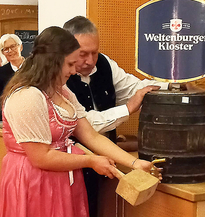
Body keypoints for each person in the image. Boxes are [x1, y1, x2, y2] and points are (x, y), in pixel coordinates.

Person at [0, 26, 161, 217]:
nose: (74, 71)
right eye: (70, 64)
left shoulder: (62, 91)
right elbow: (40, 157)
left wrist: (134, 162)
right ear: (52, 62)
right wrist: (90, 160)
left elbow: (90, 135)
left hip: (62, 177)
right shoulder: (27, 96)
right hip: (33, 180)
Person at [63, 16, 168, 216]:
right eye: (83, 54)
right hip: (71, 169)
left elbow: (135, 87)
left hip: (104, 163)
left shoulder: (104, 64)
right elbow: (85, 125)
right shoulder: (59, 80)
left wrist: (172, 86)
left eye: (95, 52)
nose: (91, 61)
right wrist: (127, 109)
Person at [0, 34, 24, 121]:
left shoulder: (33, 67)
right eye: (6, 49)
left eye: (13, 46)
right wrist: (4, 119)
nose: (10, 51)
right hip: (10, 120)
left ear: (21, 47)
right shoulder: (2, 71)